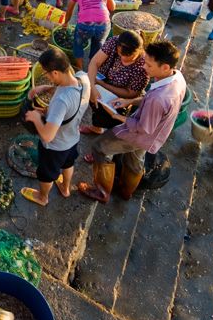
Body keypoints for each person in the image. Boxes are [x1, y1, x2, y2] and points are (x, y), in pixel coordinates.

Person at [81, 41, 186, 201]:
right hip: (155, 135)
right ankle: (126, 191)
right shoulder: (177, 76)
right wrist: (129, 101)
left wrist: (117, 116)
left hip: (141, 134)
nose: (144, 68)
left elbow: (142, 128)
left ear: (165, 67)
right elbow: (148, 98)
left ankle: (101, 192)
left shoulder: (158, 99)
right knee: (135, 160)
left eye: (149, 66)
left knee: (99, 147)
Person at [23, 48, 90, 206]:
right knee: (68, 163)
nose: (45, 76)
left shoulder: (61, 101)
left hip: (55, 146)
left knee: (46, 174)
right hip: (72, 139)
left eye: (46, 73)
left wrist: (36, 118)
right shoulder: (82, 78)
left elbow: (47, 136)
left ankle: (42, 197)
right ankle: (65, 188)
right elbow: (68, 102)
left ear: (55, 73)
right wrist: (47, 88)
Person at [82, 31, 149, 135]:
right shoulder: (114, 41)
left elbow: (131, 93)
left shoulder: (143, 66)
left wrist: (103, 85)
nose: (123, 58)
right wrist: (92, 87)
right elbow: (95, 62)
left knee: (109, 115)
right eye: (120, 54)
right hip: (100, 82)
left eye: (128, 56)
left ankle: (107, 132)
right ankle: (96, 128)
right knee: (94, 102)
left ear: (138, 51)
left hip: (118, 95)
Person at [63, 0, 115, 69]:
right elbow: (112, 7)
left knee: (78, 45)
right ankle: (92, 68)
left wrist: (66, 22)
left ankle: (80, 68)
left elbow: (69, 10)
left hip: (85, 25)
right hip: (103, 24)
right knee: (97, 46)